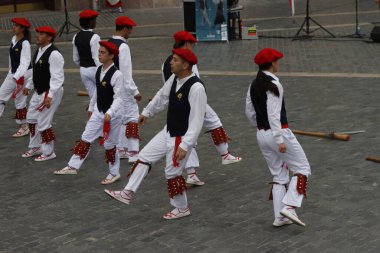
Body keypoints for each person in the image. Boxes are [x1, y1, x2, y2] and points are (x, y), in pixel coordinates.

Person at [105, 48, 207, 220]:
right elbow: (161, 96)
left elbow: (197, 120)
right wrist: (146, 112)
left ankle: (182, 208)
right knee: (144, 156)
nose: (170, 62)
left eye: (175, 60)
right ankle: (127, 192)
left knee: (172, 174)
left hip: (181, 137)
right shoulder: (175, 78)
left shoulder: (196, 88)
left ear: (186, 65)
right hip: (168, 131)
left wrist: (185, 144)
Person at [162, 30, 241, 186]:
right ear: (185, 44)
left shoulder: (166, 62)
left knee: (188, 135)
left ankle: (193, 173)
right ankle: (224, 155)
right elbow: (193, 80)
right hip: (191, 101)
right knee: (204, 126)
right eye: (191, 44)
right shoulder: (186, 62)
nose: (193, 48)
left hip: (179, 102)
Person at [245, 48, 311, 227]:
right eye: (277, 61)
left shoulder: (254, 83)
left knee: (279, 175)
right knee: (302, 168)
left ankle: (279, 217)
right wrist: (279, 140)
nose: (278, 63)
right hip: (278, 133)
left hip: (261, 134)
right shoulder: (274, 85)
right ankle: (289, 207)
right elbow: (273, 114)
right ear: (272, 63)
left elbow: (249, 112)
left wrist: (260, 126)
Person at [54, 41, 124, 185]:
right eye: (99, 52)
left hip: (114, 115)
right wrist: (91, 107)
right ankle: (73, 166)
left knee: (110, 144)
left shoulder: (117, 75)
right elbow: (97, 92)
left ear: (111, 56)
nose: (99, 54)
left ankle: (114, 173)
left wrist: (110, 112)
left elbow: (119, 98)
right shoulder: (99, 70)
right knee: (86, 137)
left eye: (103, 52)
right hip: (99, 111)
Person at [21, 26, 64, 162]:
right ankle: (36, 147)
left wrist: (50, 95)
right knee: (31, 118)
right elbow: (36, 71)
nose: (37, 35)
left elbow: (57, 77)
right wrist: (28, 85)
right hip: (39, 91)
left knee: (44, 122)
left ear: (49, 37)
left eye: (41, 34)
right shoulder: (39, 51)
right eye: (38, 33)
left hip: (50, 92)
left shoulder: (54, 54)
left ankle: (48, 152)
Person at [109, 16, 141, 164]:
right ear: (124, 29)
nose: (131, 32)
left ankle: (121, 149)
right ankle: (133, 152)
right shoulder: (123, 47)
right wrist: (135, 92)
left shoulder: (108, 42)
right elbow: (126, 73)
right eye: (130, 29)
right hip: (124, 88)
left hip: (112, 87)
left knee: (121, 118)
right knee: (132, 117)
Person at [0, 18, 32, 137]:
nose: (13, 27)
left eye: (16, 26)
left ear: (23, 28)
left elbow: (25, 62)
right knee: (3, 97)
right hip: (13, 74)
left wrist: (16, 77)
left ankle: (24, 126)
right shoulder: (13, 39)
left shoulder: (25, 43)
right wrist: (11, 72)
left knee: (18, 101)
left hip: (23, 75)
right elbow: (11, 59)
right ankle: (25, 126)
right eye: (14, 25)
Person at [72, 9, 101, 101]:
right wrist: (103, 71)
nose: (95, 22)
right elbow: (96, 58)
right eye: (94, 20)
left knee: (93, 98)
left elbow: (75, 58)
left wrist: (84, 64)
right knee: (104, 96)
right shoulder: (95, 37)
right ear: (90, 22)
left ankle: (93, 112)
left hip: (83, 70)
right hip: (95, 70)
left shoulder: (76, 36)